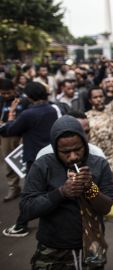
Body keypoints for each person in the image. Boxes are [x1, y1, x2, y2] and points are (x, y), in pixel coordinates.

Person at [22, 115, 113, 269]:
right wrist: (61, 192)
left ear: (85, 143)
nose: (73, 156)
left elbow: (106, 207)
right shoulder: (43, 166)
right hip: (53, 250)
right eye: (65, 152)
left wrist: (90, 188)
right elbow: (27, 208)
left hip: (92, 246)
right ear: (55, 148)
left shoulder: (99, 165)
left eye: (78, 149)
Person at [2, 82, 62, 237]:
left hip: (35, 159)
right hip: (55, 154)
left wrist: (11, 115)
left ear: (29, 97)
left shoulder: (28, 114)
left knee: (29, 193)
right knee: (55, 188)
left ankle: (21, 225)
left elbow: (9, 131)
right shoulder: (55, 108)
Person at [86, 75, 113, 224]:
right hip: (98, 157)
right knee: (99, 186)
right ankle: (104, 211)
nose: (99, 99)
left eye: (101, 96)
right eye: (95, 97)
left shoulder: (111, 110)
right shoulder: (86, 117)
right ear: (90, 100)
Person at [0, 78, 27, 201]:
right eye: (3, 93)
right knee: (9, 162)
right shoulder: (1, 101)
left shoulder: (23, 100)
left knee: (26, 161)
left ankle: (30, 188)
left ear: (14, 90)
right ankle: (13, 188)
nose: (6, 95)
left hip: (22, 134)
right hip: (6, 136)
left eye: (8, 93)